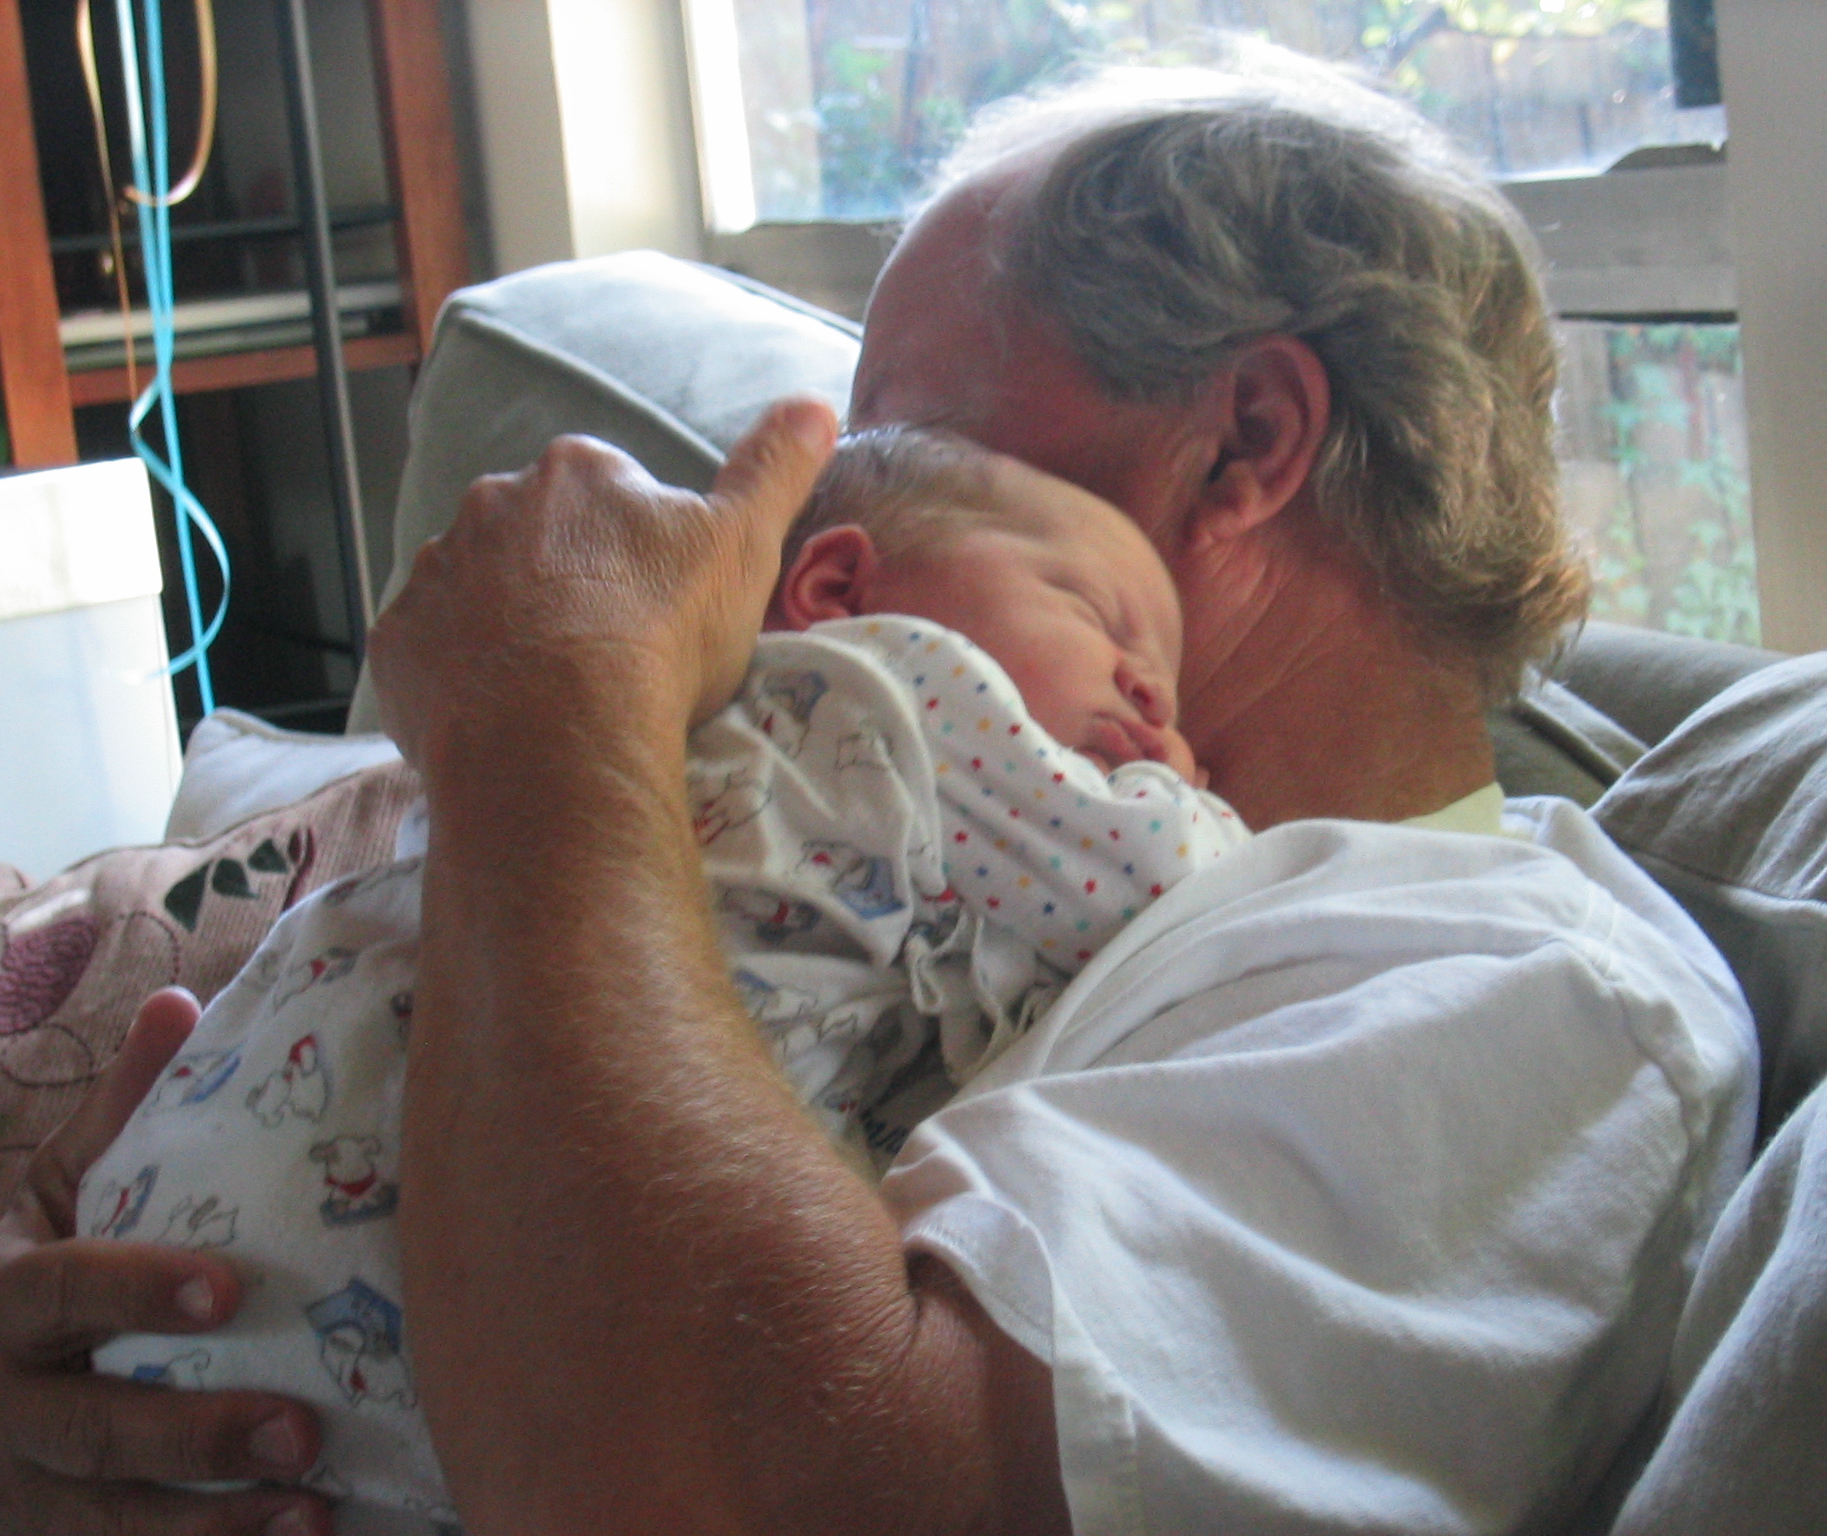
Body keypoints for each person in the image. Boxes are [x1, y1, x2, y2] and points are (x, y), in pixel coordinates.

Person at [0, 44, 1758, 1536]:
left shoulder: (1511, 995)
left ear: (1244, 447)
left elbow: (697, 1490)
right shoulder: (893, 833)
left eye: (920, 443)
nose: (806, 563)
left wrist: (556, 704)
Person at [74, 427, 1245, 1526]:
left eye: (1167, 688)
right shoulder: (892, 690)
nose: (1152, 692)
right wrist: (1200, 804)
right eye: (1098, 617)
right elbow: (1157, 874)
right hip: (475, 1307)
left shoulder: (609, 729)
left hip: (193, 1246)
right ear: (837, 588)